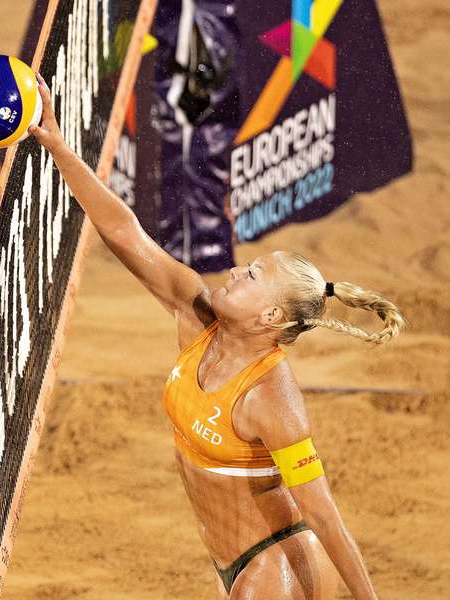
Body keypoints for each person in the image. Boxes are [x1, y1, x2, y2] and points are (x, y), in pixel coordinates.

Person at [28, 76, 403, 599]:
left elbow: (322, 512)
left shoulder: (273, 400)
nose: (235, 272)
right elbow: (123, 231)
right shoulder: (194, 310)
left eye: (252, 275)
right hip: (229, 557)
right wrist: (60, 147)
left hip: (272, 566)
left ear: (271, 316)